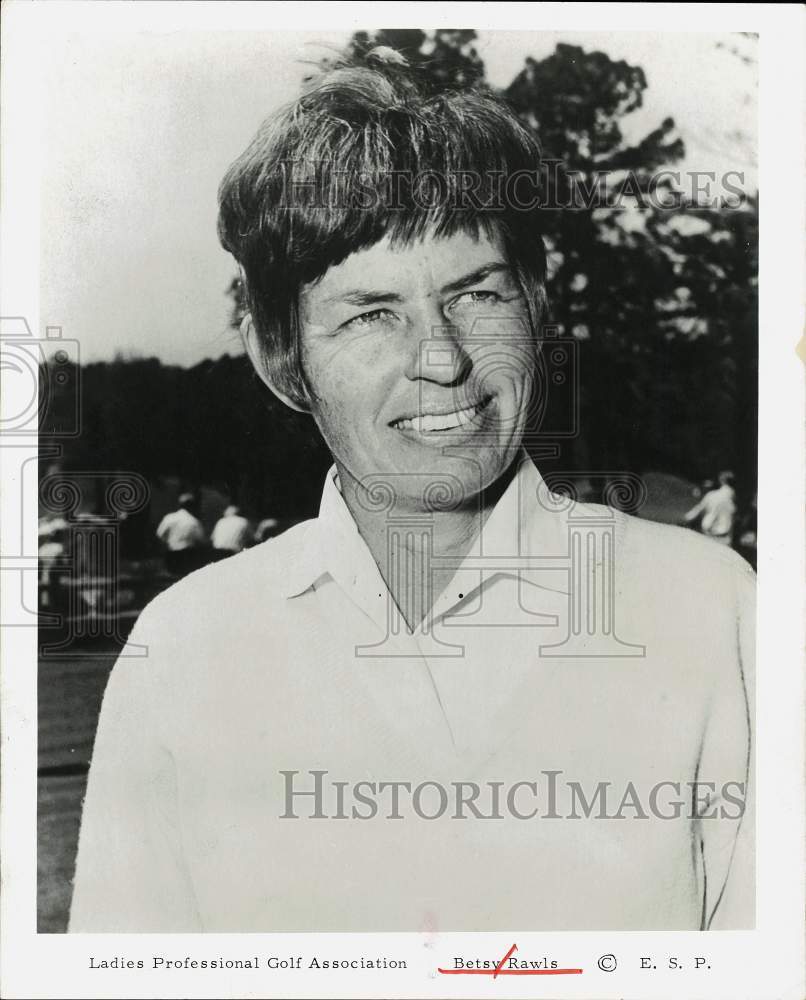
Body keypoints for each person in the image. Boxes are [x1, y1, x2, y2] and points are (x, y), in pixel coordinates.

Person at [70, 50, 754, 933]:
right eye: (370, 313)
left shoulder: (710, 607)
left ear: (536, 313)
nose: (442, 358)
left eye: (477, 296)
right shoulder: (186, 649)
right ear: (283, 362)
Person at [155, 492, 207, 576]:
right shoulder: (194, 521)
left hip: (171, 554)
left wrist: (168, 544)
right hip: (187, 555)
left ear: (179, 504)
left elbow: (160, 534)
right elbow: (201, 540)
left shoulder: (169, 518)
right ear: (192, 506)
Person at [682, 471, 738, 546]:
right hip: (724, 539)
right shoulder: (735, 503)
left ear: (721, 481)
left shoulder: (711, 495)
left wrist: (684, 519)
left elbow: (697, 511)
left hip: (708, 536)